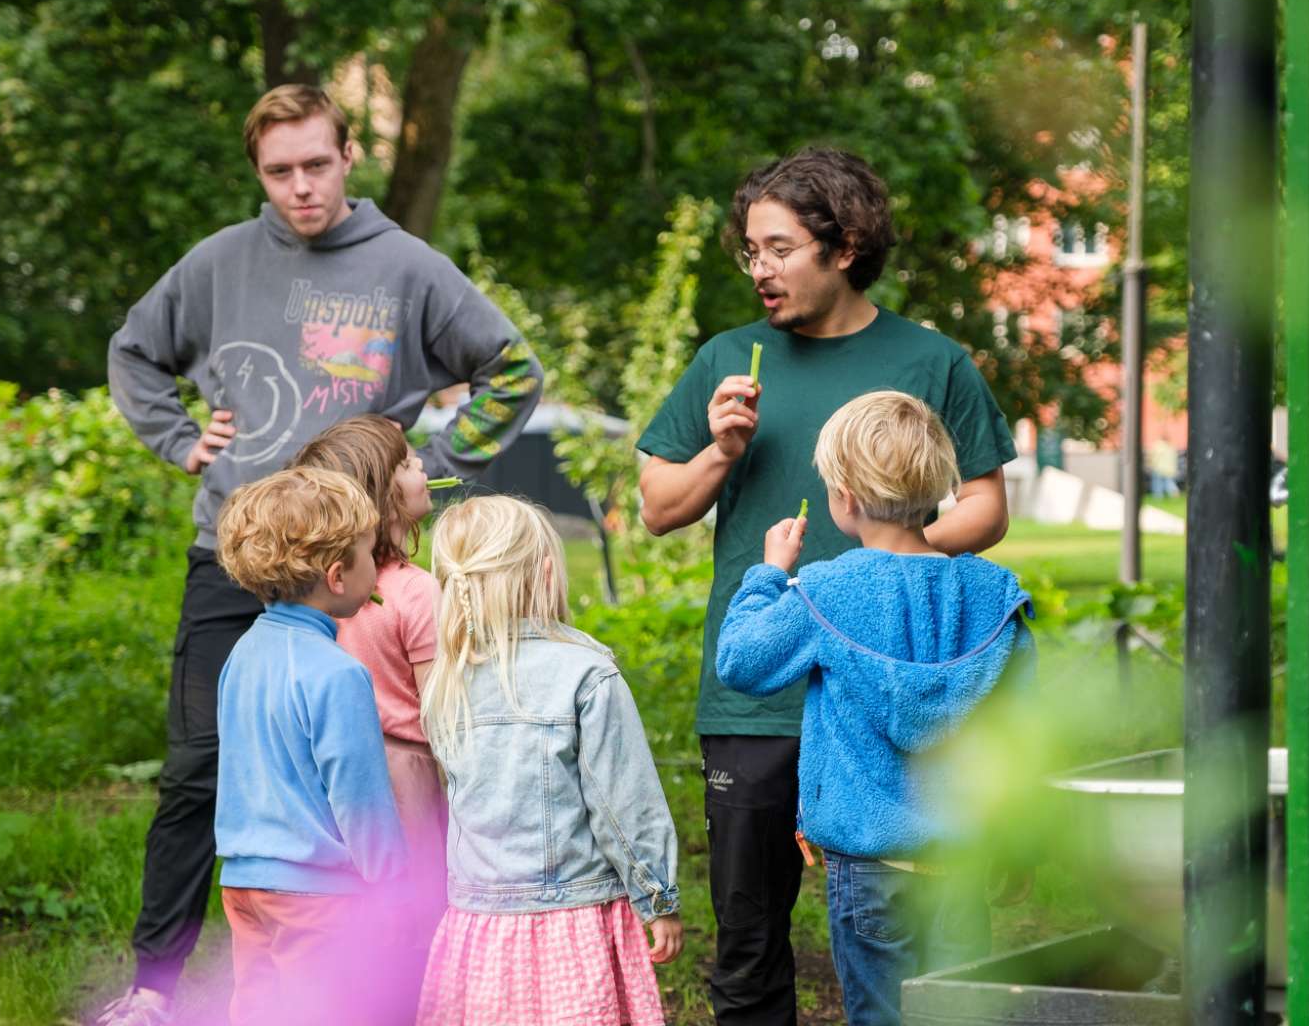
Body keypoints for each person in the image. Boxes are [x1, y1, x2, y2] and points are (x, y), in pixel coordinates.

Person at [100, 84, 543, 1025]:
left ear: (349, 155)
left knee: (391, 752)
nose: (300, 186)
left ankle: (410, 967)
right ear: (258, 173)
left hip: (360, 567)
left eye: (315, 163)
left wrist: (433, 465)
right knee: (196, 769)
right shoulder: (219, 263)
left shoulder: (408, 268)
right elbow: (135, 352)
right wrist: (180, 439)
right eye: (278, 171)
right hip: (237, 559)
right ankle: (156, 988)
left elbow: (512, 369)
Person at [636, 147, 1016, 1025]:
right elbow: (658, 508)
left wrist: (877, 563)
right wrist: (720, 451)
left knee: (911, 941)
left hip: (883, 695)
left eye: (778, 249)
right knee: (749, 943)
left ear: (843, 247)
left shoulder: (931, 361)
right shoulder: (730, 359)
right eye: (751, 252)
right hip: (757, 697)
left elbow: (988, 507)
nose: (759, 270)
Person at [716, 391, 1034, 1026]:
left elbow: (740, 661)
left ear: (845, 499)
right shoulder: (991, 595)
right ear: (942, 489)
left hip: (870, 870)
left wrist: (769, 574)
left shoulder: (828, 592)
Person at [416, 496, 683, 1026]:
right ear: (543, 572)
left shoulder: (448, 684)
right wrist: (658, 897)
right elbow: (624, 806)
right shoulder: (586, 675)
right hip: (572, 922)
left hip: (480, 927)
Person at [210, 466, 410, 1025]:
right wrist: (393, 886)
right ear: (338, 575)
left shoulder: (242, 654)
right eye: (372, 554)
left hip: (246, 880)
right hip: (316, 895)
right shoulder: (338, 674)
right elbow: (360, 799)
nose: (379, 565)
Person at [288, 415, 445, 1009]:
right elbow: (441, 710)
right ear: (382, 496)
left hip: (332, 777)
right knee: (418, 921)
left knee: (354, 922)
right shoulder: (416, 590)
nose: (423, 466)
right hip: (407, 776)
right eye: (408, 462)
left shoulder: (319, 591)